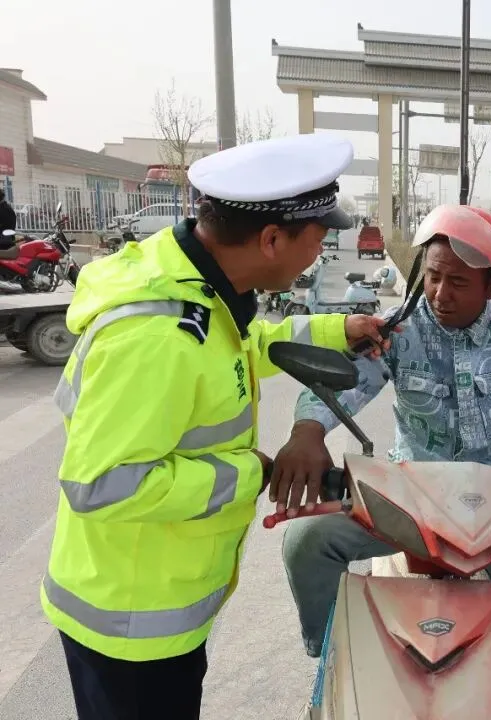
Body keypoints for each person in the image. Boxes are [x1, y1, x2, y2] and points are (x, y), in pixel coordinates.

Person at [41, 133, 393, 720]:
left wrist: (340, 329)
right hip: (130, 624)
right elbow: (100, 483)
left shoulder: (197, 288)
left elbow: (243, 345)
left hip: (161, 600)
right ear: (272, 238)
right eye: (318, 238)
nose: (320, 253)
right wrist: (248, 472)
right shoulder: (154, 338)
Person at [274, 203, 491, 720]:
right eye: (432, 277)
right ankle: (335, 651)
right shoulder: (397, 330)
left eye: (458, 281)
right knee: (305, 542)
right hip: (408, 504)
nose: (440, 293)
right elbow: (349, 382)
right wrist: (307, 430)